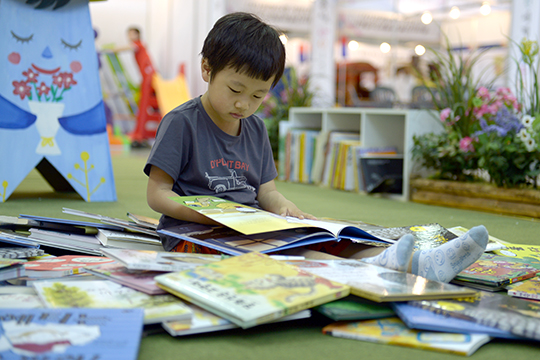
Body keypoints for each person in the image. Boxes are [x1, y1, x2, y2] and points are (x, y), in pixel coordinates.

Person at [144, 12, 489, 284]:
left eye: (258, 95)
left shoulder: (256, 128)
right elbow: (157, 193)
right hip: (195, 235)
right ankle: (380, 273)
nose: (244, 104)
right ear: (207, 69)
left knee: (323, 239)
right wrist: (207, 213)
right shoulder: (182, 123)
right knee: (292, 257)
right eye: (235, 89)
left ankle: (415, 263)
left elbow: (266, 191)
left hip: (252, 226)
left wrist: (285, 208)